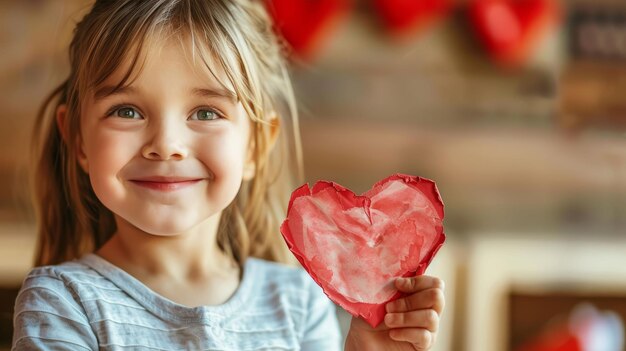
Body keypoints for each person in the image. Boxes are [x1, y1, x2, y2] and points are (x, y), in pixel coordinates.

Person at [12, 0, 445, 350]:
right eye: (126, 110)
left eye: (205, 112)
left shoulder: (298, 303)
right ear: (79, 141)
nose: (167, 144)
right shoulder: (62, 305)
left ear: (255, 144)